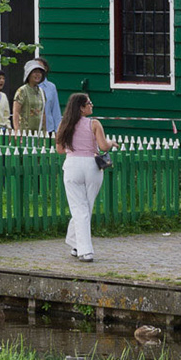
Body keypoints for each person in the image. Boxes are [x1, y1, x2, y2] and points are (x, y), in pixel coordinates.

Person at [55, 92, 112, 263]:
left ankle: (76, 244)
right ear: (81, 107)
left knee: (80, 209)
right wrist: (111, 143)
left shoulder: (64, 125)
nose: (91, 105)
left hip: (72, 165)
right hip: (91, 166)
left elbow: (59, 150)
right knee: (85, 208)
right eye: (89, 103)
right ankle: (85, 251)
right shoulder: (94, 124)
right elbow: (103, 146)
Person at [13, 62, 49, 133]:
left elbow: (43, 113)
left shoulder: (41, 92)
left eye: (39, 72)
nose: (38, 75)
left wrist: (45, 132)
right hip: (24, 133)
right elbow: (16, 112)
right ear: (28, 74)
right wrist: (17, 130)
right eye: (35, 72)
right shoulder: (22, 91)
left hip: (38, 133)